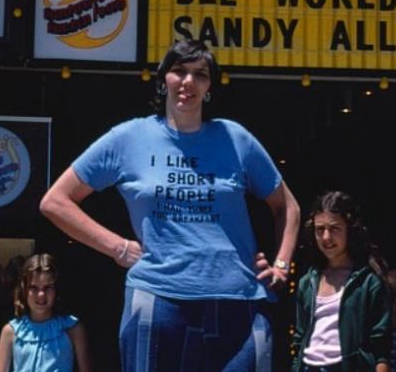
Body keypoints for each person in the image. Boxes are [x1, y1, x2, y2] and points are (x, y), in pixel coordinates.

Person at [39, 39, 301, 372]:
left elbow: (287, 207)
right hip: (158, 299)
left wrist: (281, 265)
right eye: (179, 71)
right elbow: (55, 202)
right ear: (163, 79)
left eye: (200, 74)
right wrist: (118, 247)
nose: (188, 81)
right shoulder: (128, 138)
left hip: (238, 301)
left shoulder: (235, 138)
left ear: (209, 87)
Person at [291, 190, 392, 372]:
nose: (326, 237)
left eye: (334, 228)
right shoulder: (307, 282)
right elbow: (299, 339)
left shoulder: (369, 282)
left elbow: (381, 347)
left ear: (350, 230)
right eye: (319, 229)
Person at [0, 253, 92, 372]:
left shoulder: (72, 329)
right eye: (33, 288)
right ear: (24, 290)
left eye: (47, 288)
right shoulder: (11, 331)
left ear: (56, 290)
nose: (41, 295)